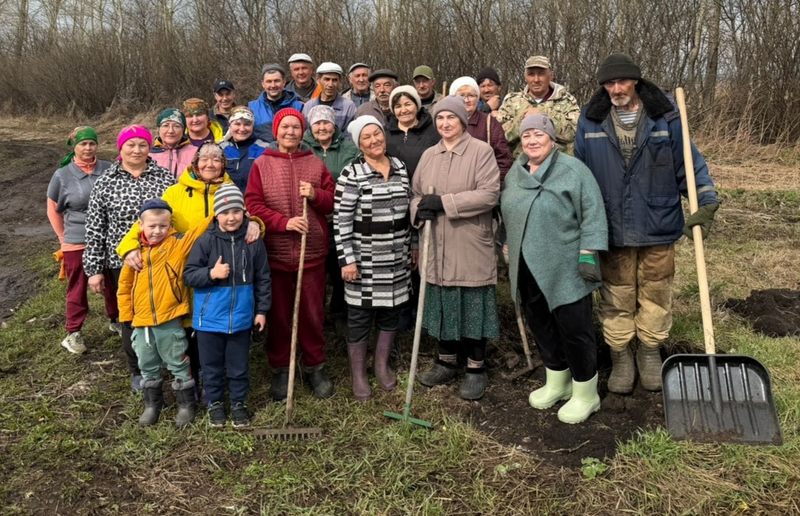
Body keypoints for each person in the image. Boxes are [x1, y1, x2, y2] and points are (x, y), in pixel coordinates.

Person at [574, 53, 720, 394]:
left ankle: (650, 351)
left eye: (622, 81)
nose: (616, 89)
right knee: (616, 294)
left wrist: (706, 200)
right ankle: (621, 354)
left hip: (658, 220)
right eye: (609, 83)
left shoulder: (666, 116)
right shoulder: (591, 120)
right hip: (612, 224)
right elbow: (579, 173)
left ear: (636, 81)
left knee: (656, 291)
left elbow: (689, 163)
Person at [116, 142, 263, 401]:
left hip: (221, 276)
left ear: (223, 164)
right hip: (180, 272)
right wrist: (128, 247)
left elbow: (245, 215)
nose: (210, 164)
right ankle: (189, 381)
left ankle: (214, 381)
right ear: (195, 163)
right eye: (204, 159)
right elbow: (150, 222)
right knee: (185, 331)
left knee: (212, 328)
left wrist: (256, 223)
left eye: (216, 160)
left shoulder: (230, 190)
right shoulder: (175, 193)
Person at [502, 114, 608, 424]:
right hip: (526, 264)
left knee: (574, 329)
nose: (532, 140)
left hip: (565, 265)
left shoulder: (573, 171)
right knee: (540, 324)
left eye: (539, 134)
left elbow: (593, 212)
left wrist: (588, 254)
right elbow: (506, 209)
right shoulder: (516, 172)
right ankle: (558, 381)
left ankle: (586, 392)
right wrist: (506, 242)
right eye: (526, 135)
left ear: (552, 139)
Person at [410, 97, 501, 400]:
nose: (445, 123)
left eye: (451, 117)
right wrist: (418, 209)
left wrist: (445, 203)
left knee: (472, 304)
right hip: (436, 242)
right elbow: (416, 193)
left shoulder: (481, 151)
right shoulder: (429, 155)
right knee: (442, 304)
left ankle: (476, 366)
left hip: (469, 242)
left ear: (463, 121)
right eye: (440, 118)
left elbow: (489, 194)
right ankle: (446, 361)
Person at [245, 108, 336, 400]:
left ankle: (314, 365)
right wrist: (283, 223)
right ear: (276, 131)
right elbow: (253, 205)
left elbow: (332, 201)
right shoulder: (262, 164)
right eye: (285, 127)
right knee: (280, 315)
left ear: (302, 132)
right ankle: (281, 368)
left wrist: (316, 195)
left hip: (311, 254)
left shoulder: (315, 163)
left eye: (296, 127)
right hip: (276, 255)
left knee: (312, 313)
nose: (290, 132)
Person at [84, 125, 175, 391]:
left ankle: (168, 361)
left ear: (150, 148)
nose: (137, 150)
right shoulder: (106, 181)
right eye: (131, 145)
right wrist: (94, 270)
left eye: (142, 145)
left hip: (161, 259)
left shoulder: (164, 177)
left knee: (164, 310)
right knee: (131, 315)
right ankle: (138, 368)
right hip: (121, 262)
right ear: (120, 148)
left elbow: (176, 218)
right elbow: (95, 228)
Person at [335, 116, 413, 400]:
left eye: (377, 134)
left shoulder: (400, 167)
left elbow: (410, 212)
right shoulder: (352, 173)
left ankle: (381, 365)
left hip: (397, 256)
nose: (374, 140)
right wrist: (347, 260)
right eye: (366, 137)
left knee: (391, 311)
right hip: (364, 258)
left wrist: (414, 247)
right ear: (359, 144)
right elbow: (341, 221)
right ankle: (358, 373)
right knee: (359, 316)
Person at [117, 199, 212, 427]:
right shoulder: (135, 254)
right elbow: (124, 287)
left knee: (178, 359)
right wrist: (126, 316)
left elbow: (200, 229)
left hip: (169, 318)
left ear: (170, 225)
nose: (157, 231)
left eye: (163, 226)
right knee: (146, 362)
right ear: (140, 225)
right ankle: (152, 404)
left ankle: (186, 404)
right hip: (141, 322)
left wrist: (222, 208)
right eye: (152, 226)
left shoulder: (177, 245)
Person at [184, 184, 272, 428]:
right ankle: (214, 403)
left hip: (242, 318)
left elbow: (263, 277)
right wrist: (211, 274)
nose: (231, 217)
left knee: (238, 365)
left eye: (236, 211)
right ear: (216, 214)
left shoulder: (253, 241)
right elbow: (189, 275)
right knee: (211, 366)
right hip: (209, 320)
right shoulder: (205, 241)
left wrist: (261, 311)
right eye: (225, 212)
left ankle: (238, 403)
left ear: (244, 212)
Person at [47, 126, 118, 354]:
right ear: (74, 147)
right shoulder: (62, 175)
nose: (88, 148)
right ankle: (73, 332)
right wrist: (63, 238)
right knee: (77, 286)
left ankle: (116, 319)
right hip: (77, 239)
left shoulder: (109, 168)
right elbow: (53, 210)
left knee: (112, 281)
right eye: (83, 144)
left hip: (108, 237)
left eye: (92, 143)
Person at [303, 105, 360, 324]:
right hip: (311, 217)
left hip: (340, 217)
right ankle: (314, 313)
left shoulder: (349, 149)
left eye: (326, 122)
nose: (322, 127)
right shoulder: (303, 147)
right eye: (317, 123)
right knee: (315, 267)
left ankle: (338, 311)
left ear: (334, 125)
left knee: (338, 265)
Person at [496, 56, 580, 157]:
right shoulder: (512, 101)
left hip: (558, 163)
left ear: (551, 76)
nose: (536, 79)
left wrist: (543, 115)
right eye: (531, 74)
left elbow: (574, 133)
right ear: (525, 77)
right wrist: (523, 120)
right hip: (520, 163)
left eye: (541, 74)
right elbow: (499, 135)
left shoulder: (566, 100)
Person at [450, 77, 514, 179]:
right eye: (461, 95)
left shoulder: (490, 123)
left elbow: (504, 160)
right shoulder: (444, 124)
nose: (466, 100)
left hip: (482, 184)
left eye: (471, 95)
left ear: (478, 97)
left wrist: (495, 184)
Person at [385, 85, 440, 180]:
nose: (403, 110)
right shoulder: (384, 133)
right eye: (398, 106)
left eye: (408, 104)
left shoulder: (433, 131)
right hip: (394, 185)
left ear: (417, 106)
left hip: (423, 184)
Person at [249, 63, 305, 142]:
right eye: (269, 81)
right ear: (263, 84)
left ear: (284, 82)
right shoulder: (251, 108)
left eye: (277, 81)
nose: (273, 85)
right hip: (261, 149)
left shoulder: (299, 107)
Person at [220, 106, 268, 193]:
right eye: (237, 124)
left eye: (247, 124)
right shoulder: (220, 149)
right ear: (230, 125)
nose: (242, 129)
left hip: (255, 199)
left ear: (253, 126)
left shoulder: (265, 149)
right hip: (226, 199)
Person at [302, 62, 357, 138]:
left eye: (334, 80)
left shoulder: (348, 107)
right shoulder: (309, 106)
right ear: (318, 80)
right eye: (327, 79)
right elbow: (306, 135)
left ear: (339, 82)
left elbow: (349, 136)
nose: (330, 84)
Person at [149, 108, 198, 179]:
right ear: (158, 129)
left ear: (183, 130)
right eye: (166, 125)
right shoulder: (148, 155)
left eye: (176, 126)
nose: (171, 131)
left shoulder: (196, 153)